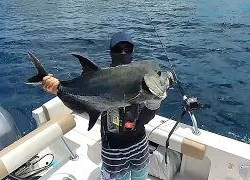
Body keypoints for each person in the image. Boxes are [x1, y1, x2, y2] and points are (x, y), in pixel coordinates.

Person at [42, 32, 173, 179]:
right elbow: (80, 108)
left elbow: (144, 119)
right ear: (111, 52)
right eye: (118, 49)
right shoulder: (98, 79)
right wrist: (58, 90)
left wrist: (155, 100)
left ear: (133, 51)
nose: (123, 53)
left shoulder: (141, 77)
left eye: (127, 49)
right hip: (113, 150)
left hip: (140, 144)